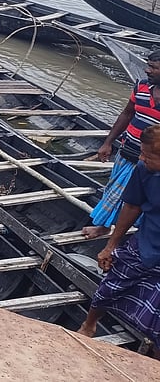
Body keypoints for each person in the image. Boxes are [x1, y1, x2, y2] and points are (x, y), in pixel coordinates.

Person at [78, 123, 160, 345]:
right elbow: (132, 206)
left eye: (148, 155)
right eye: (141, 152)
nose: (141, 158)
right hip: (147, 243)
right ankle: (88, 326)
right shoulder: (144, 170)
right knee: (112, 285)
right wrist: (111, 245)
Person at [83, 50, 160, 240]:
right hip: (127, 151)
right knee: (113, 191)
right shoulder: (141, 87)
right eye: (148, 65)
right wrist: (108, 142)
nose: (147, 70)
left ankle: (126, 234)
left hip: (151, 161)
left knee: (139, 200)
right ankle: (104, 226)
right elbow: (127, 114)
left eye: (153, 67)